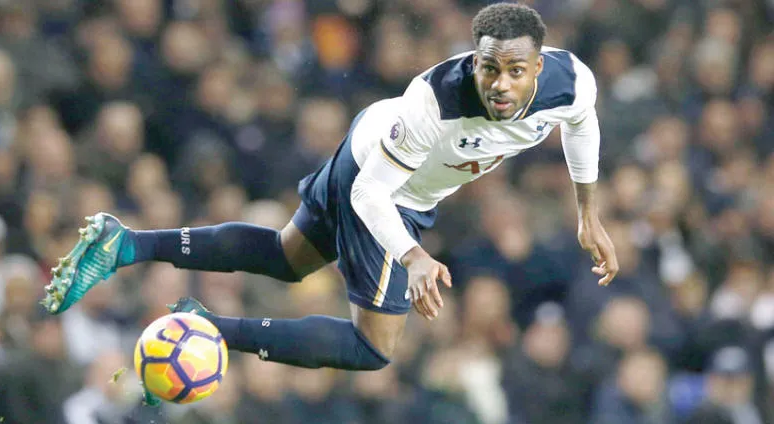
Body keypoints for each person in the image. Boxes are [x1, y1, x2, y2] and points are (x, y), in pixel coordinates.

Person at [41, 3, 618, 372]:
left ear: (538, 67)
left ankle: (127, 244)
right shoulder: (435, 103)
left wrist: (587, 212)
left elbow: (582, 124)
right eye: (489, 68)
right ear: (473, 61)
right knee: (374, 348)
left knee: (286, 258)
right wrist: (413, 256)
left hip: (373, 149)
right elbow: (370, 196)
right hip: (385, 185)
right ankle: (206, 329)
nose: (500, 84)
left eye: (515, 71)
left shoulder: (572, 83)